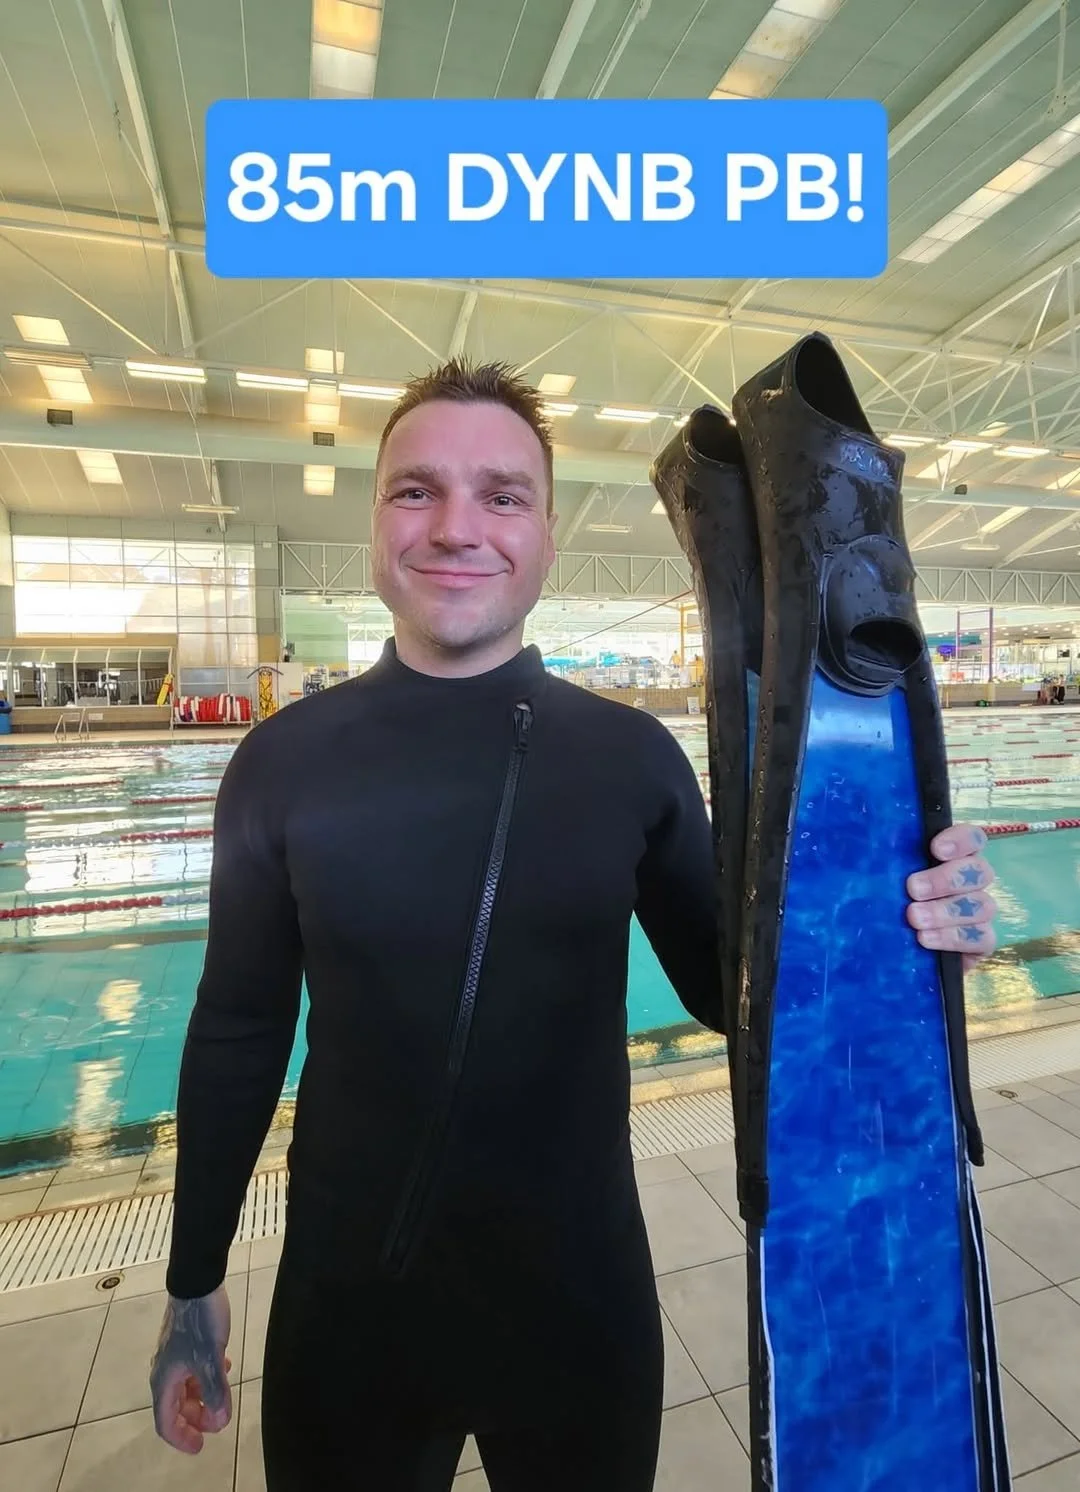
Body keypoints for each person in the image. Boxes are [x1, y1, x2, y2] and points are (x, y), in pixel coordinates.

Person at [149, 360, 999, 1491]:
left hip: (577, 1308)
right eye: (416, 490)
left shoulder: (629, 759)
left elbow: (737, 991)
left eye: (502, 495)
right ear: (373, 522)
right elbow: (239, 1027)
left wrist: (905, 926)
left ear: (548, 536)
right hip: (348, 1313)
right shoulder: (281, 764)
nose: (457, 527)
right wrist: (193, 1276)